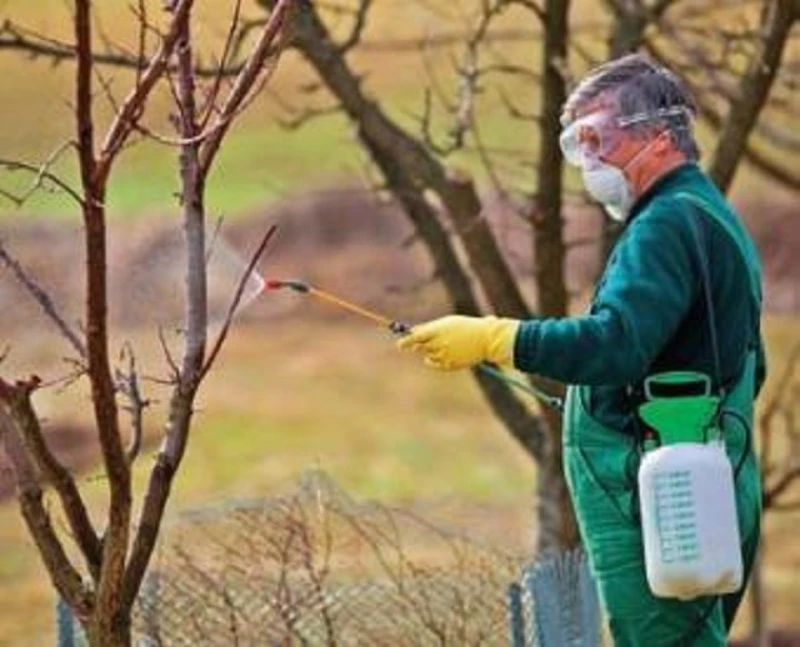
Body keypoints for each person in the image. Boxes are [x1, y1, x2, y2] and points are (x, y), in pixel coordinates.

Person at [397, 53, 766, 646]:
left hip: (663, 495)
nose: (589, 161)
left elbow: (615, 344)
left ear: (662, 136)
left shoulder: (665, 225)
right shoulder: (703, 213)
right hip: (702, 479)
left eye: (600, 139)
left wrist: (498, 337)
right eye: (579, 144)